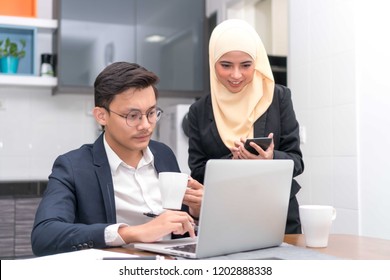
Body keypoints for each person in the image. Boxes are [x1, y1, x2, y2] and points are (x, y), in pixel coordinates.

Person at [31, 62, 203, 256]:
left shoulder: (164, 154)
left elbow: (178, 232)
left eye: (152, 113)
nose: (146, 125)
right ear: (101, 116)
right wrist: (130, 233)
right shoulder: (73, 166)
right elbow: (44, 236)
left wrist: (196, 212)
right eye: (133, 115)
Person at [188, 19, 304, 234]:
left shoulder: (278, 98)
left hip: (278, 211)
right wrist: (232, 162)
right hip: (223, 213)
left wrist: (270, 159)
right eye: (226, 65)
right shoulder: (199, 111)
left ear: (257, 63)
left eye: (246, 65)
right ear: (213, 62)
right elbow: (197, 172)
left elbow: (297, 162)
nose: (236, 75)